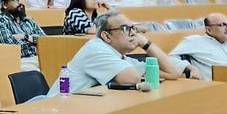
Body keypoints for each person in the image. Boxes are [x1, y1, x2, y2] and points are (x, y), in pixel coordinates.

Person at [58, 11, 191, 93]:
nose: (133, 33)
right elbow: (132, 78)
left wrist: (146, 43)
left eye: (133, 28)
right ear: (106, 36)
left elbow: (173, 73)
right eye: (125, 28)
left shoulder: (120, 57)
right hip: (60, 110)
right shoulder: (95, 49)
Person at [170, 13, 227, 81]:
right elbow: (170, 58)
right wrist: (190, 68)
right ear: (209, 30)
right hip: (214, 86)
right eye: (222, 25)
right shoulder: (195, 41)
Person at [0, 0, 45, 72]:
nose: (20, 2)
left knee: (61, 69)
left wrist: (25, 37)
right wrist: (34, 42)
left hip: (40, 57)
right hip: (20, 61)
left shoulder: (29, 20)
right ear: (4, 4)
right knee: (38, 74)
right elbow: (11, 46)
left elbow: (45, 40)